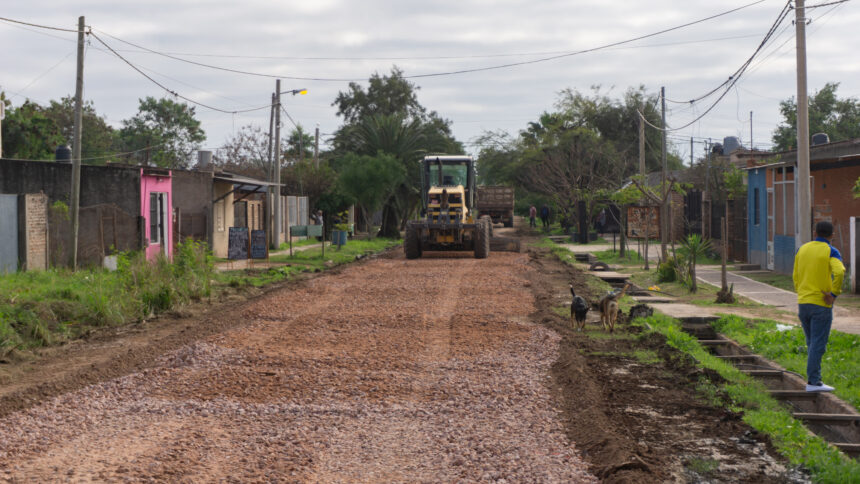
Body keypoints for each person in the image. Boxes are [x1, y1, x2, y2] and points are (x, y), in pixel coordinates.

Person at [793, 221, 845, 393]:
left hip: (803, 303)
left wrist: (801, 293)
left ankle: (814, 379)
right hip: (821, 304)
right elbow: (839, 272)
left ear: (815, 232)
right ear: (832, 235)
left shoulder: (802, 249)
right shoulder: (831, 251)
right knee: (818, 344)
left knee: (811, 342)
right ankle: (814, 382)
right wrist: (834, 294)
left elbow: (796, 275)